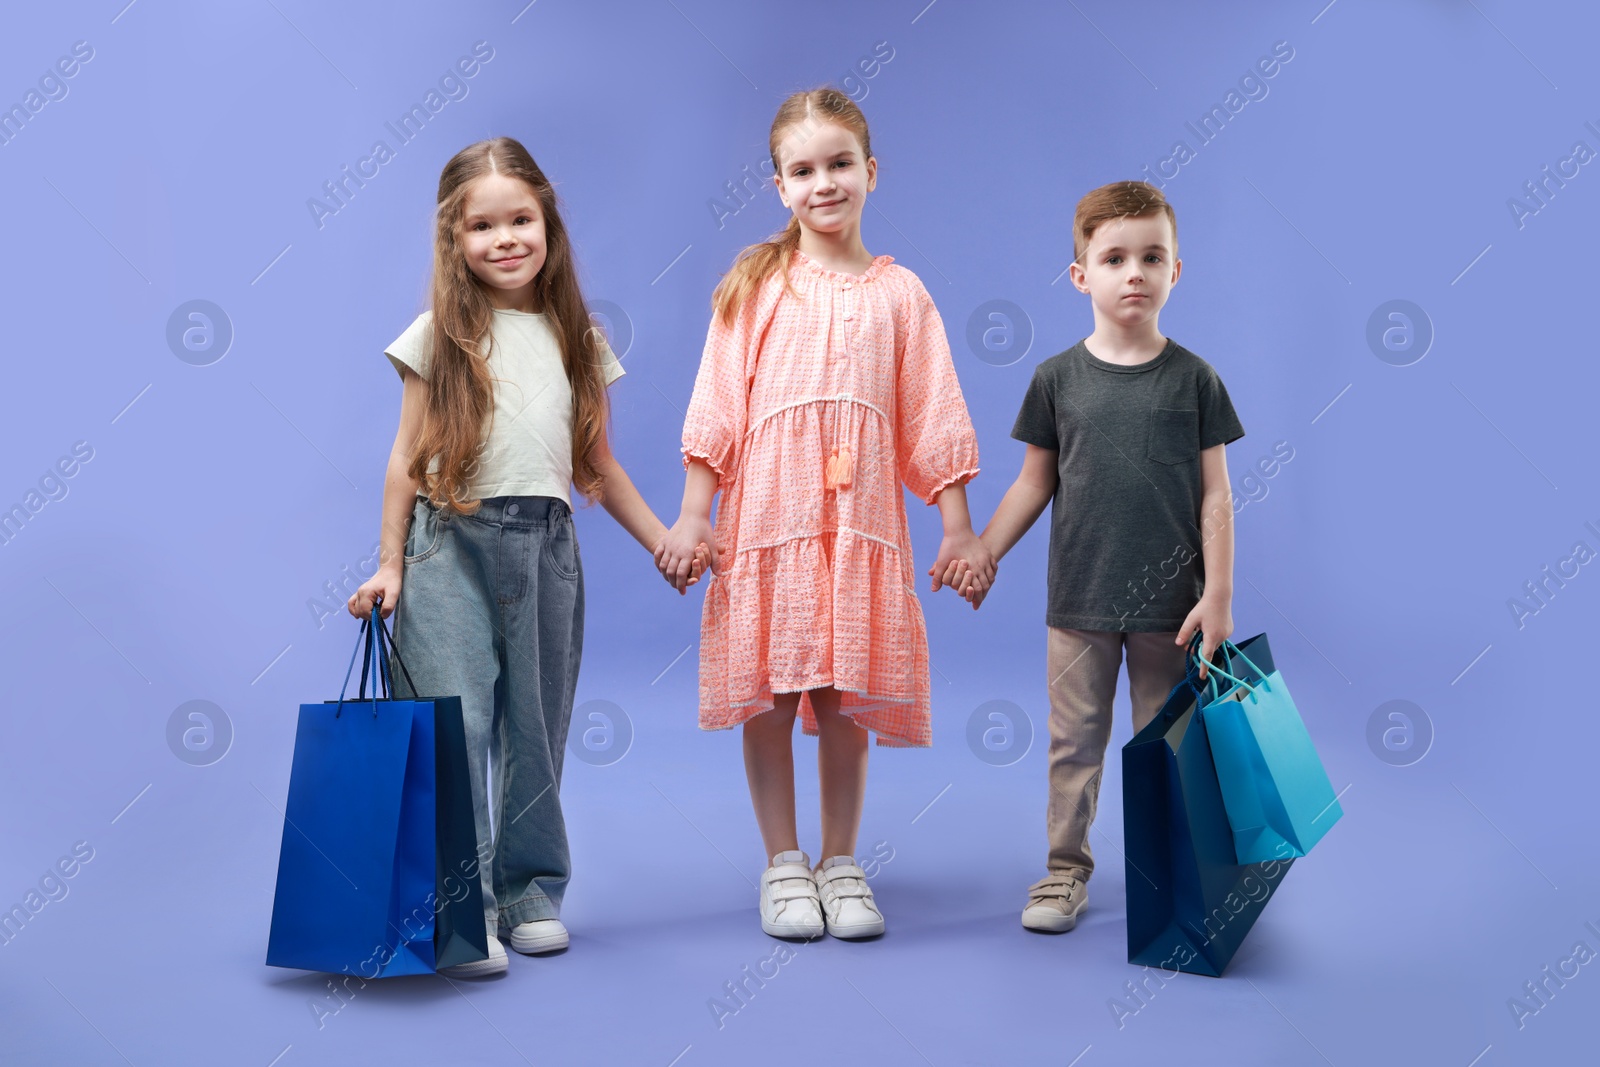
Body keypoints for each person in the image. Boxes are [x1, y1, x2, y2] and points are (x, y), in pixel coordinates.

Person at [348, 137, 704, 977]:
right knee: (456, 722)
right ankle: (460, 909)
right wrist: (390, 563)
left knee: (534, 725)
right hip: (450, 543)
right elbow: (405, 457)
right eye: (483, 225)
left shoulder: (574, 336)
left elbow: (597, 466)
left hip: (544, 547)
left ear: (548, 224)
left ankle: (529, 890)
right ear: (455, 239)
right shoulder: (438, 336)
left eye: (521, 219)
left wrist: (662, 540)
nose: (505, 238)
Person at [656, 88, 993, 941]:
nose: (824, 183)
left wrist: (956, 525)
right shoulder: (758, 284)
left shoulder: (903, 295)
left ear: (871, 173)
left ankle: (841, 862)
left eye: (840, 164)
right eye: (802, 170)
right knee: (774, 698)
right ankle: (782, 863)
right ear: (778, 186)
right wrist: (697, 514)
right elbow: (718, 404)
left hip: (863, 525)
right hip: (772, 519)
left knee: (843, 700)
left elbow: (934, 408)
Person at [945, 181, 1245, 935]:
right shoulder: (1056, 380)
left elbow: (1217, 497)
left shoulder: (1196, 379)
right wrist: (983, 548)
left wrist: (1220, 596)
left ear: (1178, 270)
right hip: (1078, 602)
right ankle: (1063, 871)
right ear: (1081, 274)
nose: (1134, 271)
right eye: (1114, 257)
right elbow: (1031, 485)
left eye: (1152, 256)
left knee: (1166, 745)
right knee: (1073, 743)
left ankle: (1172, 875)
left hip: (1172, 610)